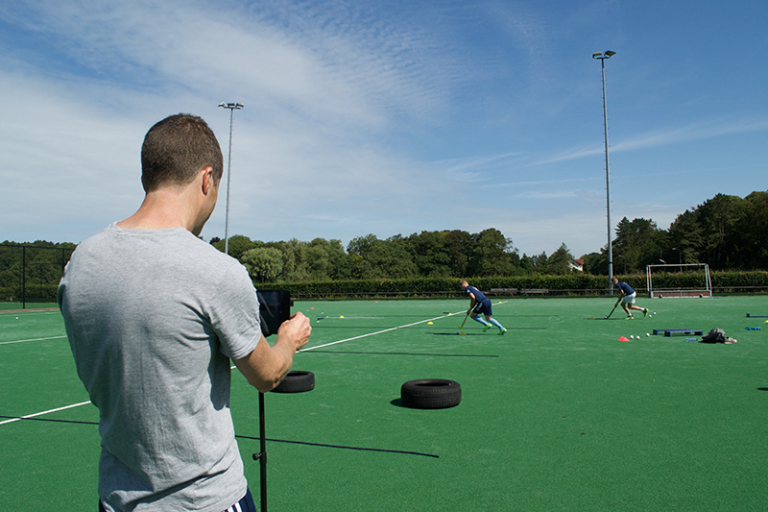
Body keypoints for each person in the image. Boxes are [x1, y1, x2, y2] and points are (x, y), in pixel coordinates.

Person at [58, 113, 312, 512]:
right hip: (204, 500)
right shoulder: (216, 270)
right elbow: (266, 375)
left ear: (148, 176)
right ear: (207, 179)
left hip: (116, 498)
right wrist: (288, 340)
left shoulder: (81, 262)